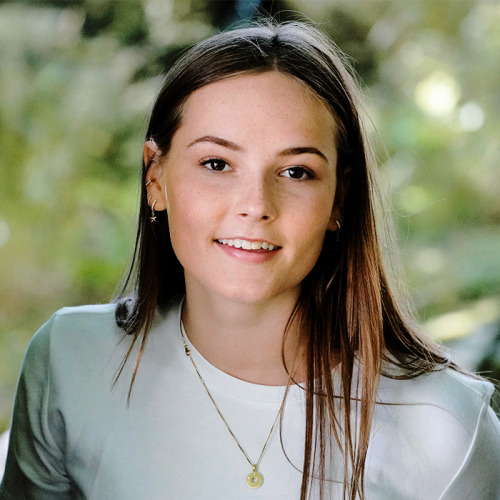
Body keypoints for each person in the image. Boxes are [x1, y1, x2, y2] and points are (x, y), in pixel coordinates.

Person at [1, 19, 499, 500]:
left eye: (296, 172)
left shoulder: (445, 425)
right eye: (217, 164)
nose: (256, 205)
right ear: (155, 178)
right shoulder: (70, 362)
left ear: (339, 199)